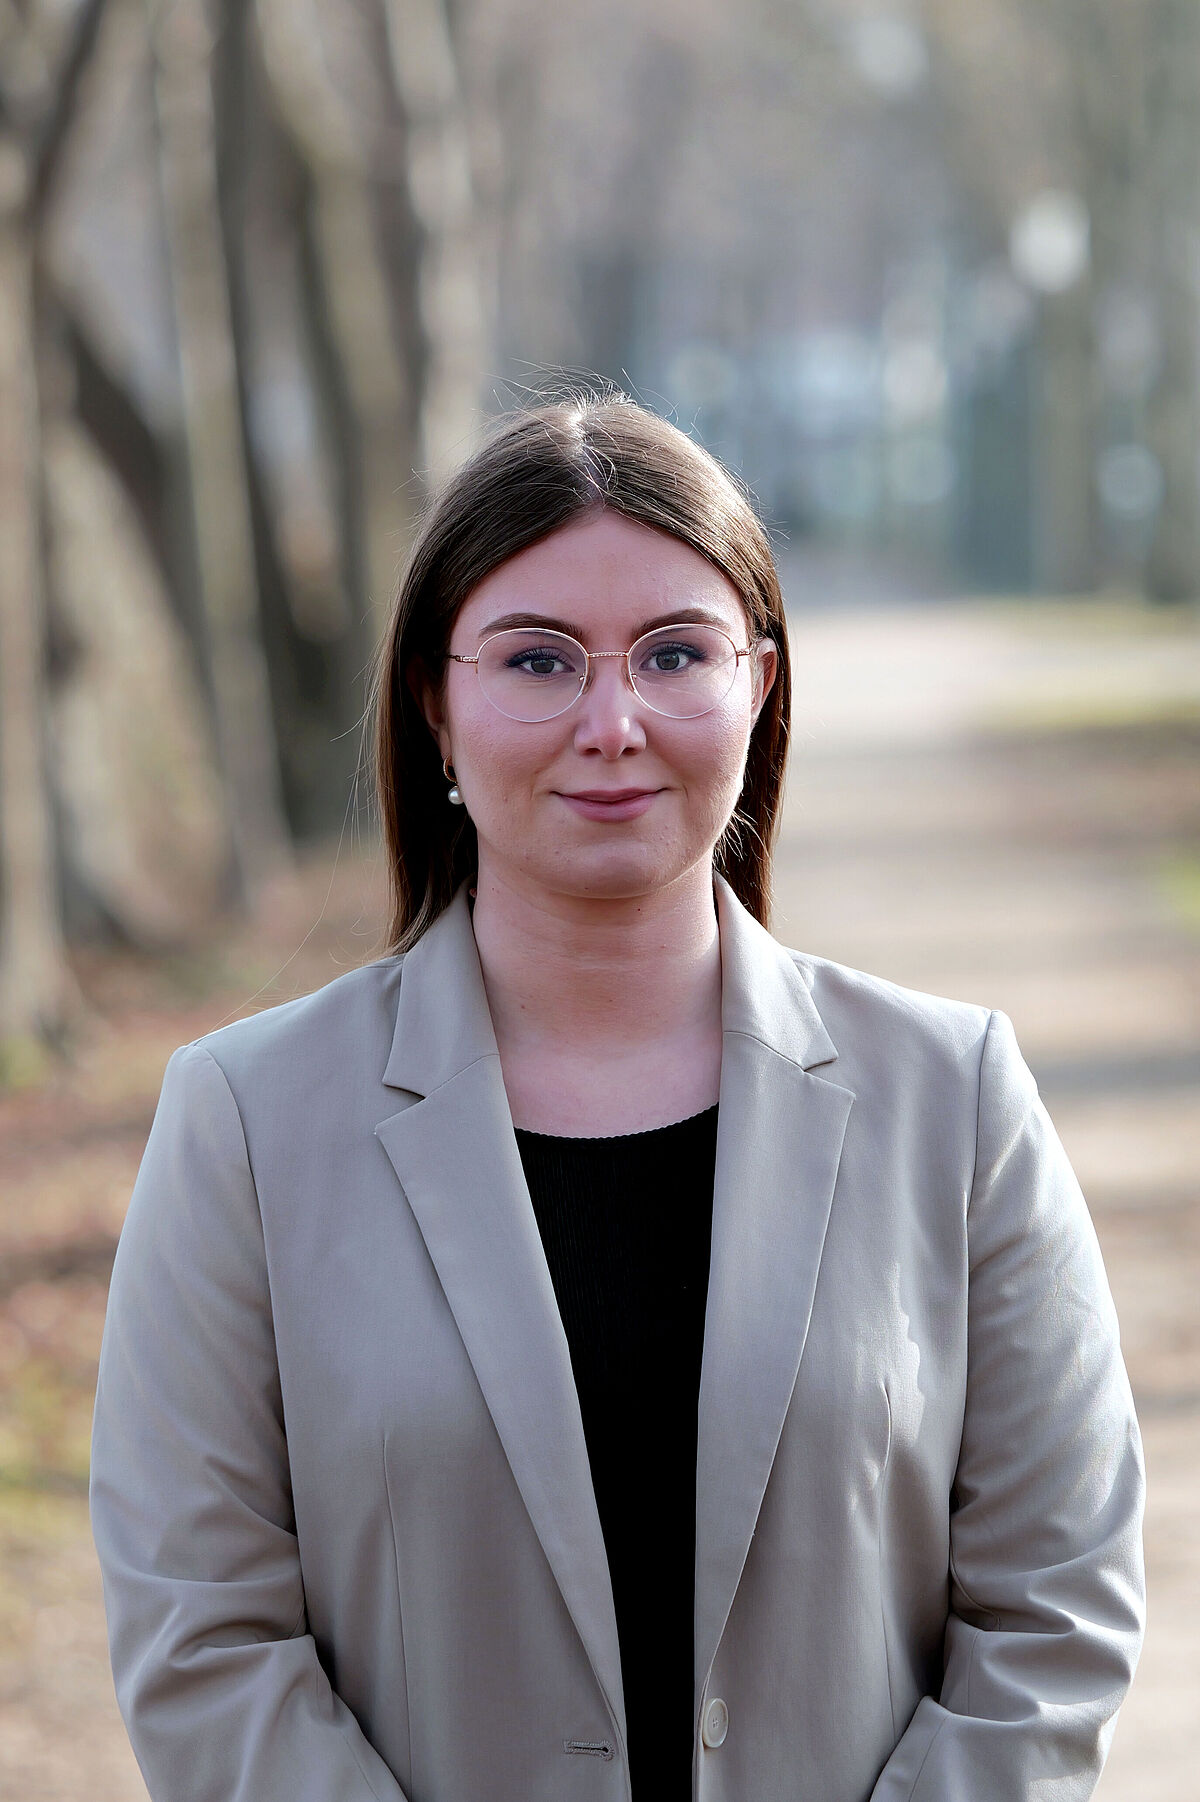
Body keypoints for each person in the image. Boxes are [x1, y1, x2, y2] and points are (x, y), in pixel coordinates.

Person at [91, 394, 1145, 1802]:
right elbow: (202, 1637)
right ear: (433, 701)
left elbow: (1054, 1612)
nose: (612, 722)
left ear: (759, 686)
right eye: (537, 658)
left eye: (675, 653)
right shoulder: (244, 1122)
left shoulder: (955, 1103)